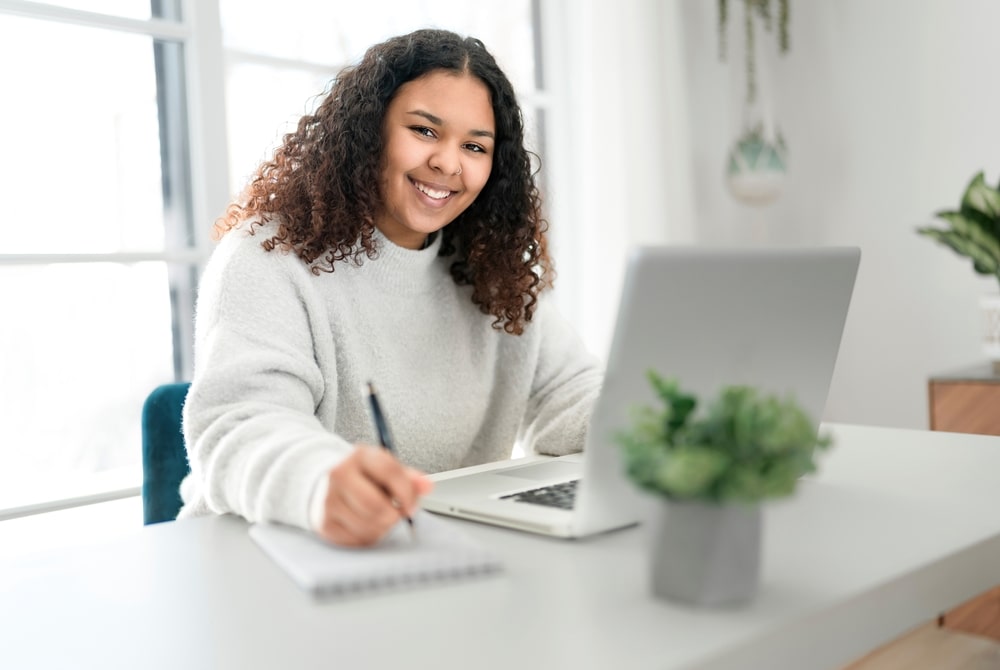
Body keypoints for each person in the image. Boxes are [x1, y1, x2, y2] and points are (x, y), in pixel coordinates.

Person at [178, 28, 602, 547]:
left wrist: (673, 419)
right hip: (258, 558)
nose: (448, 163)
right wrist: (318, 483)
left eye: (474, 146)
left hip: (421, 557)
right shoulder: (267, 256)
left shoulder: (492, 274)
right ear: (368, 129)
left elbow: (574, 397)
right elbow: (239, 425)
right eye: (425, 131)